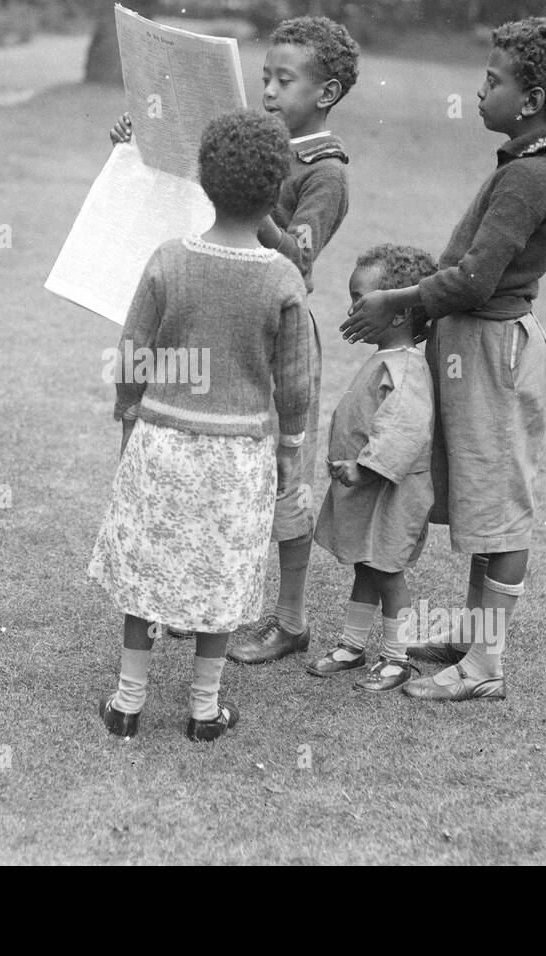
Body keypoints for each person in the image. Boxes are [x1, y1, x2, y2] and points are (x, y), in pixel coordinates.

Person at [340, 17, 546, 701]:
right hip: (470, 345)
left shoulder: (531, 176)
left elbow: (477, 280)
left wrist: (395, 297)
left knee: (498, 506)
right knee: (479, 500)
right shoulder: (523, 163)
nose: (479, 91)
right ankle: (477, 637)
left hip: (493, 354)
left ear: (531, 98)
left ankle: (485, 667)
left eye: (492, 81)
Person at [111, 16, 361, 664]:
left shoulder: (325, 174)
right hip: (217, 312)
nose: (270, 91)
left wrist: (251, 199)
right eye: (265, 78)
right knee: (206, 461)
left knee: (284, 477)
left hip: (274, 328)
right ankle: (189, 595)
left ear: (327, 92)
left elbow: (299, 263)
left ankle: (292, 616)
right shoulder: (260, 145)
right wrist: (144, 144)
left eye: (286, 80)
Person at [89, 110, 311, 742]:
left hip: (163, 440)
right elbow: (295, 381)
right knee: (221, 572)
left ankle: (128, 704)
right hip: (239, 453)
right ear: (275, 196)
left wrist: (128, 414)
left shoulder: (168, 260)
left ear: (203, 181)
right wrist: (291, 448)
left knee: (146, 565)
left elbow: (134, 351)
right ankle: (204, 711)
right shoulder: (281, 277)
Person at [308, 245, 438, 693]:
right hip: (370, 488)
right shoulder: (387, 359)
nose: (351, 309)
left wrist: (365, 470)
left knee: (387, 570)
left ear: (398, 313)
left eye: (360, 299)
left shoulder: (407, 371)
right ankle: (352, 644)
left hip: (391, 491)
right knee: (367, 566)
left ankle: (398, 657)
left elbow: (404, 430)